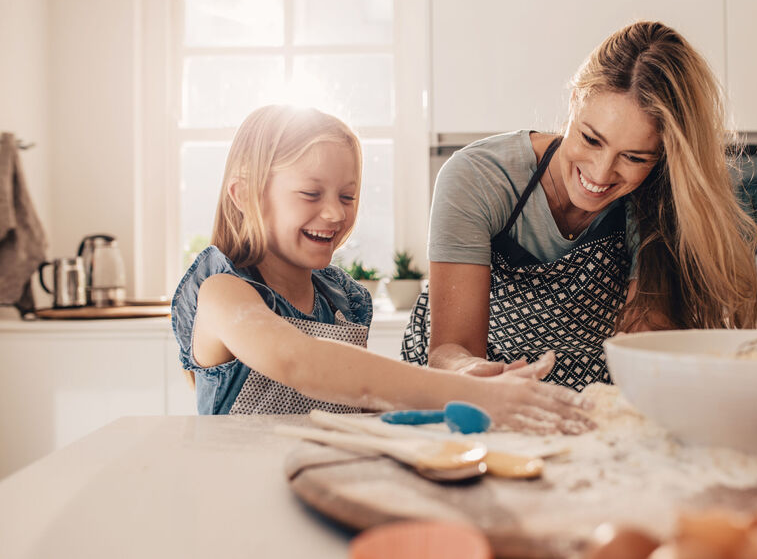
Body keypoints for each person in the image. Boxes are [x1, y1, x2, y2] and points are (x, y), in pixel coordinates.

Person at [170, 105, 593, 434]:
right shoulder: (222, 292)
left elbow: (357, 398)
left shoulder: (343, 301)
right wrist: (473, 393)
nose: (334, 212)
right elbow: (300, 361)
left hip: (321, 489)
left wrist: (467, 386)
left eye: (348, 196)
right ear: (244, 195)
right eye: (310, 193)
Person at [402, 21, 757, 390]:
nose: (601, 173)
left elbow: (643, 340)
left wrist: (648, 372)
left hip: (590, 391)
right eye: (591, 139)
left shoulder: (659, 201)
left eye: (634, 157)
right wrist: (475, 375)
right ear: (575, 101)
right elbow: (452, 348)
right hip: (459, 388)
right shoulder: (480, 177)